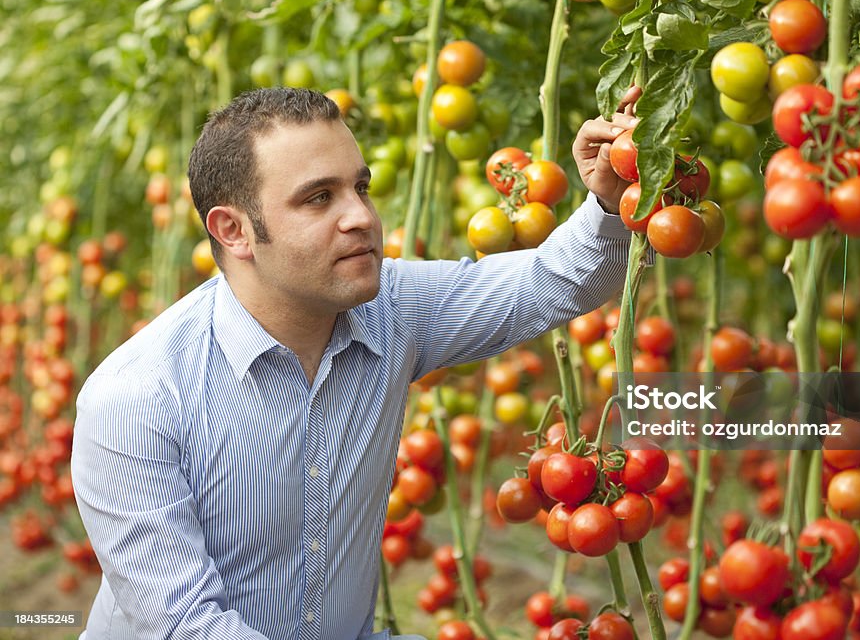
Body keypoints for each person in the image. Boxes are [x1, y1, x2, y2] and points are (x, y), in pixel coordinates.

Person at [71, 85, 642, 640]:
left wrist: (611, 200)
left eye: (360, 187)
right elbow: (182, 626)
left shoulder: (392, 309)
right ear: (233, 230)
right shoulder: (135, 399)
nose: (362, 218)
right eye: (319, 198)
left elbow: (551, 282)